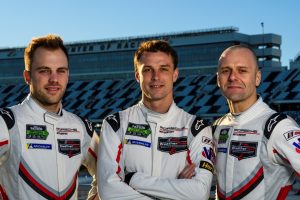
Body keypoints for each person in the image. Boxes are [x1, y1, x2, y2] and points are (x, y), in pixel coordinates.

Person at [97, 40, 214, 199]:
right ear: (138, 76)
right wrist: (176, 192)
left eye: (163, 69)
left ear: (175, 74)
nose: (156, 76)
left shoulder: (197, 128)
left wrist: (133, 179)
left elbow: (200, 193)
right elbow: (108, 191)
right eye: (148, 70)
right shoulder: (115, 124)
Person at [0, 34, 99, 199]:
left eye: (61, 71)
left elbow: (110, 174)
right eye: (44, 71)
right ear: (27, 77)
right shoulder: (7, 122)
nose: (54, 79)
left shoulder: (82, 127)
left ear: (67, 75)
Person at [213, 44, 300, 199]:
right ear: (218, 79)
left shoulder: (278, 127)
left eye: (242, 70)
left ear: (257, 78)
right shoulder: (217, 127)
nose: (233, 77)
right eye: (226, 71)